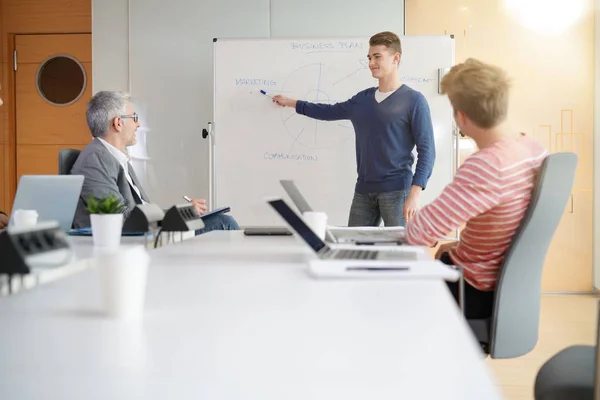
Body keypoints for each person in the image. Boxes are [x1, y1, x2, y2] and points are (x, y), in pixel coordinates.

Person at [405, 58, 548, 319]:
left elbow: (418, 233)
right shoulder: (534, 150)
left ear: (461, 117)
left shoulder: (488, 165)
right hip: (502, 288)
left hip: (469, 290)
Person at [272, 31, 435, 227]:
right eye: (369, 57)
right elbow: (328, 111)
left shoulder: (414, 101)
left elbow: (427, 151)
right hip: (363, 191)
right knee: (355, 248)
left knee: (400, 252)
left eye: (377, 57)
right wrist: (292, 102)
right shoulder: (362, 100)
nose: (371, 63)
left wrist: (415, 194)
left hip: (398, 191)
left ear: (396, 58)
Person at [71, 91, 239, 233]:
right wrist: (180, 215)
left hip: (148, 232)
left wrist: (183, 214)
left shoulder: (115, 157)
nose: (138, 124)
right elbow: (120, 220)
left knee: (222, 221)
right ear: (118, 123)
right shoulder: (95, 159)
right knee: (224, 223)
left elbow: (143, 213)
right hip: (134, 239)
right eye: (134, 117)